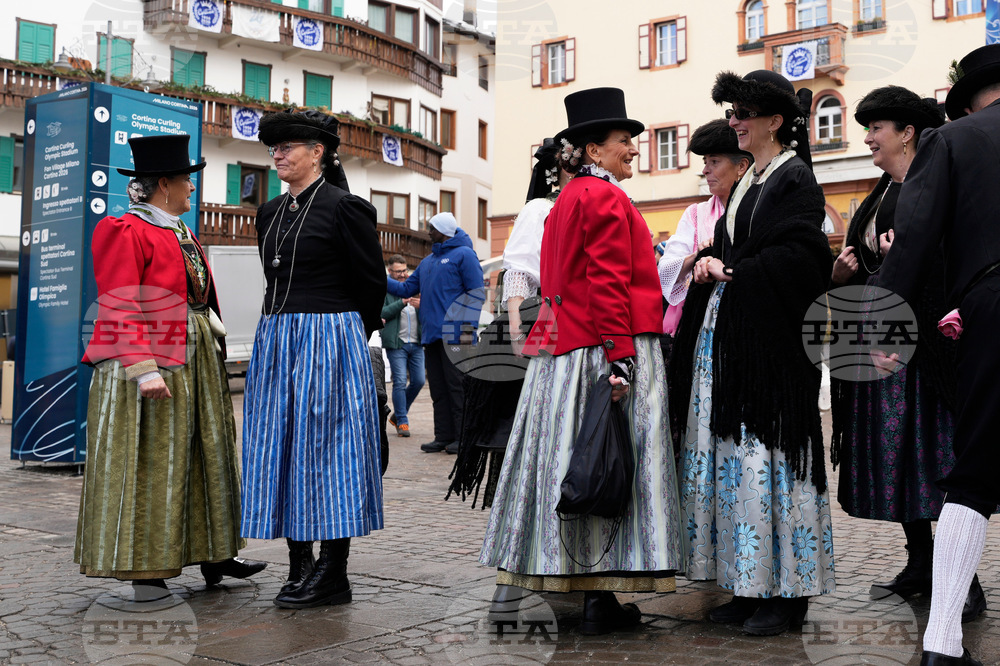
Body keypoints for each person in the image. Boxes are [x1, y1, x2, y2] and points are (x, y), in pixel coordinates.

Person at [479, 87, 683, 635]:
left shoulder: (565, 199)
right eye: (624, 142)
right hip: (605, 344)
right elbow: (609, 283)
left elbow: (561, 282)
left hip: (565, 350)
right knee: (610, 458)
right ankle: (599, 599)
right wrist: (620, 360)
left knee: (570, 459)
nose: (634, 150)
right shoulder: (607, 198)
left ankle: (583, 590)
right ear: (593, 149)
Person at [669, 70, 835, 636]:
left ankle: (787, 594)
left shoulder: (796, 179)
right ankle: (747, 581)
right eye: (732, 112)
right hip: (737, 340)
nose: (734, 122)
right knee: (741, 464)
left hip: (773, 349)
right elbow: (734, 243)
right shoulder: (752, 180)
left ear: (774, 121)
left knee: (773, 463)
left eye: (743, 113)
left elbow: (802, 261)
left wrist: (732, 270)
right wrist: (708, 260)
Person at [75, 134, 265, 600]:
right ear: (163, 184)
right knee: (154, 460)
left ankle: (216, 553)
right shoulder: (124, 230)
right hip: (156, 359)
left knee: (208, 452)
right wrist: (144, 369)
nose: (192, 189)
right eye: (186, 180)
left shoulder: (180, 230)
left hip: (195, 359)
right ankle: (147, 571)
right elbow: (120, 304)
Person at [828, 87, 986, 621]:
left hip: (928, 350)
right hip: (884, 342)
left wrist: (917, 255)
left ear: (908, 133)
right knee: (896, 458)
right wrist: (846, 274)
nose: (868, 137)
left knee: (937, 457)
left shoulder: (937, 180)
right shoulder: (877, 195)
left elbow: (962, 254)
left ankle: (962, 580)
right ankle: (920, 561)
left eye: (876, 127)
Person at [877, 44, 1000, 666]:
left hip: (993, 304)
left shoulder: (954, 141)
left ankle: (942, 644)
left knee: (974, 473)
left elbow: (917, 236)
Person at [240, 110, 386, 609]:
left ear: (318, 153)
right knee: (278, 448)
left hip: (329, 336)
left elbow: (372, 285)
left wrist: (344, 337)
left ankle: (333, 570)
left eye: (288, 147)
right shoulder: (268, 212)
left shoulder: (347, 208)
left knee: (327, 452)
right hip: (277, 340)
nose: (277, 155)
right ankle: (299, 563)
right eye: (273, 148)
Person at [448, 138, 567, 509]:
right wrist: (518, 330)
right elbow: (519, 274)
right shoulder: (539, 209)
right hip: (544, 317)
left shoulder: (592, 201)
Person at [385, 212, 484, 455]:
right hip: (431, 336)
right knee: (439, 389)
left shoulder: (465, 255)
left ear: (445, 230)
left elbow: (476, 293)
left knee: (457, 388)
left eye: (432, 228)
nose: (428, 232)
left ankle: (463, 439)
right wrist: (379, 278)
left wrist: (465, 330)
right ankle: (444, 436)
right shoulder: (428, 262)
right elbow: (406, 288)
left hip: (456, 335)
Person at [657, 119, 751, 368]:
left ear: (741, 166)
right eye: (705, 163)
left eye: (714, 161)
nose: (706, 170)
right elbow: (666, 270)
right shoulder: (695, 213)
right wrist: (699, 254)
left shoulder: (755, 210)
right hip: (696, 322)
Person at [382, 255, 424, 438]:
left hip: (416, 342)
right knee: (399, 381)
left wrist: (421, 305)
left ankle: (398, 414)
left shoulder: (415, 287)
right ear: (390, 272)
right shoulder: (385, 289)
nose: (403, 275)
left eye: (405, 270)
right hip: (396, 344)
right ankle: (403, 422)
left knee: (419, 380)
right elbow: (382, 313)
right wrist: (402, 302)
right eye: (398, 271)